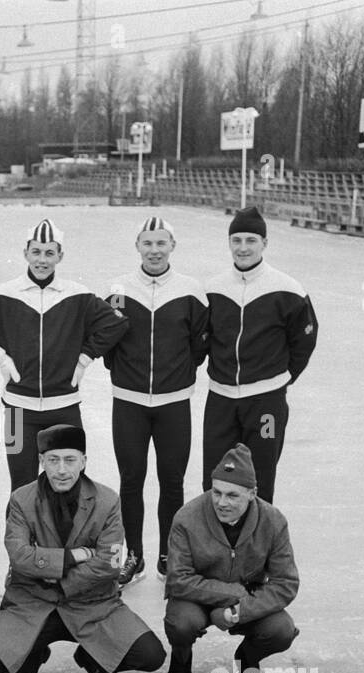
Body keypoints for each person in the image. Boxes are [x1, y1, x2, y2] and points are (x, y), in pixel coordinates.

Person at [0, 424, 165, 673]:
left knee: (151, 655)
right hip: (33, 603)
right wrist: (71, 557)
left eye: (70, 460)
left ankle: (94, 659)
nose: (61, 470)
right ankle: (31, 657)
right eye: (53, 460)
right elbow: (19, 556)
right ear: (42, 461)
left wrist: (54, 574)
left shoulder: (107, 500)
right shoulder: (21, 500)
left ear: (84, 461)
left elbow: (109, 564)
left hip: (91, 605)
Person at [0, 219, 129, 494]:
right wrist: (0, 357)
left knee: (70, 486)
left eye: (49, 253)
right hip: (17, 409)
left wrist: (85, 358)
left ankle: (67, 540)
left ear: (60, 256)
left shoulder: (78, 295)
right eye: (36, 252)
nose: (42, 260)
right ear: (25, 254)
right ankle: (19, 540)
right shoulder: (2, 294)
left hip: (65, 406)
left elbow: (116, 323)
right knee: (21, 488)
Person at [104, 216, 210, 585]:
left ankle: (170, 554)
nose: (154, 250)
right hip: (129, 401)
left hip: (174, 402)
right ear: (137, 246)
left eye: (161, 243)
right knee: (131, 479)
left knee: (172, 480)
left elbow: (200, 345)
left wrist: (176, 376)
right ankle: (134, 555)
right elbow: (107, 342)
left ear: (172, 247)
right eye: (147, 243)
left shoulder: (191, 291)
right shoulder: (119, 289)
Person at [203, 207, 317, 503]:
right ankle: (215, 545)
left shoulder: (288, 289)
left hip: (266, 400)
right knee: (214, 477)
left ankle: (257, 546)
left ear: (264, 243)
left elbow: (304, 340)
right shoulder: (213, 288)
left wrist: (282, 378)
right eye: (237, 240)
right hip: (221, 397)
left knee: (260, 477)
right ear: (229, 243)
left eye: (251, 240)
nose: (243, 247)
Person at [163, 443, 300, 673]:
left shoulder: (273, 521)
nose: (222, 502)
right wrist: (231, 594)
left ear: (252, 493)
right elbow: (177, 579)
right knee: (180, 624)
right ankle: (181, 656)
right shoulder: (186, 517)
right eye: (217, 492)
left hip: (247, 598)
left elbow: (286, 584)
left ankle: (248, 658)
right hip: (197, 597)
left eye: (232, 495)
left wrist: (238, 611)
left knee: (281, 630)